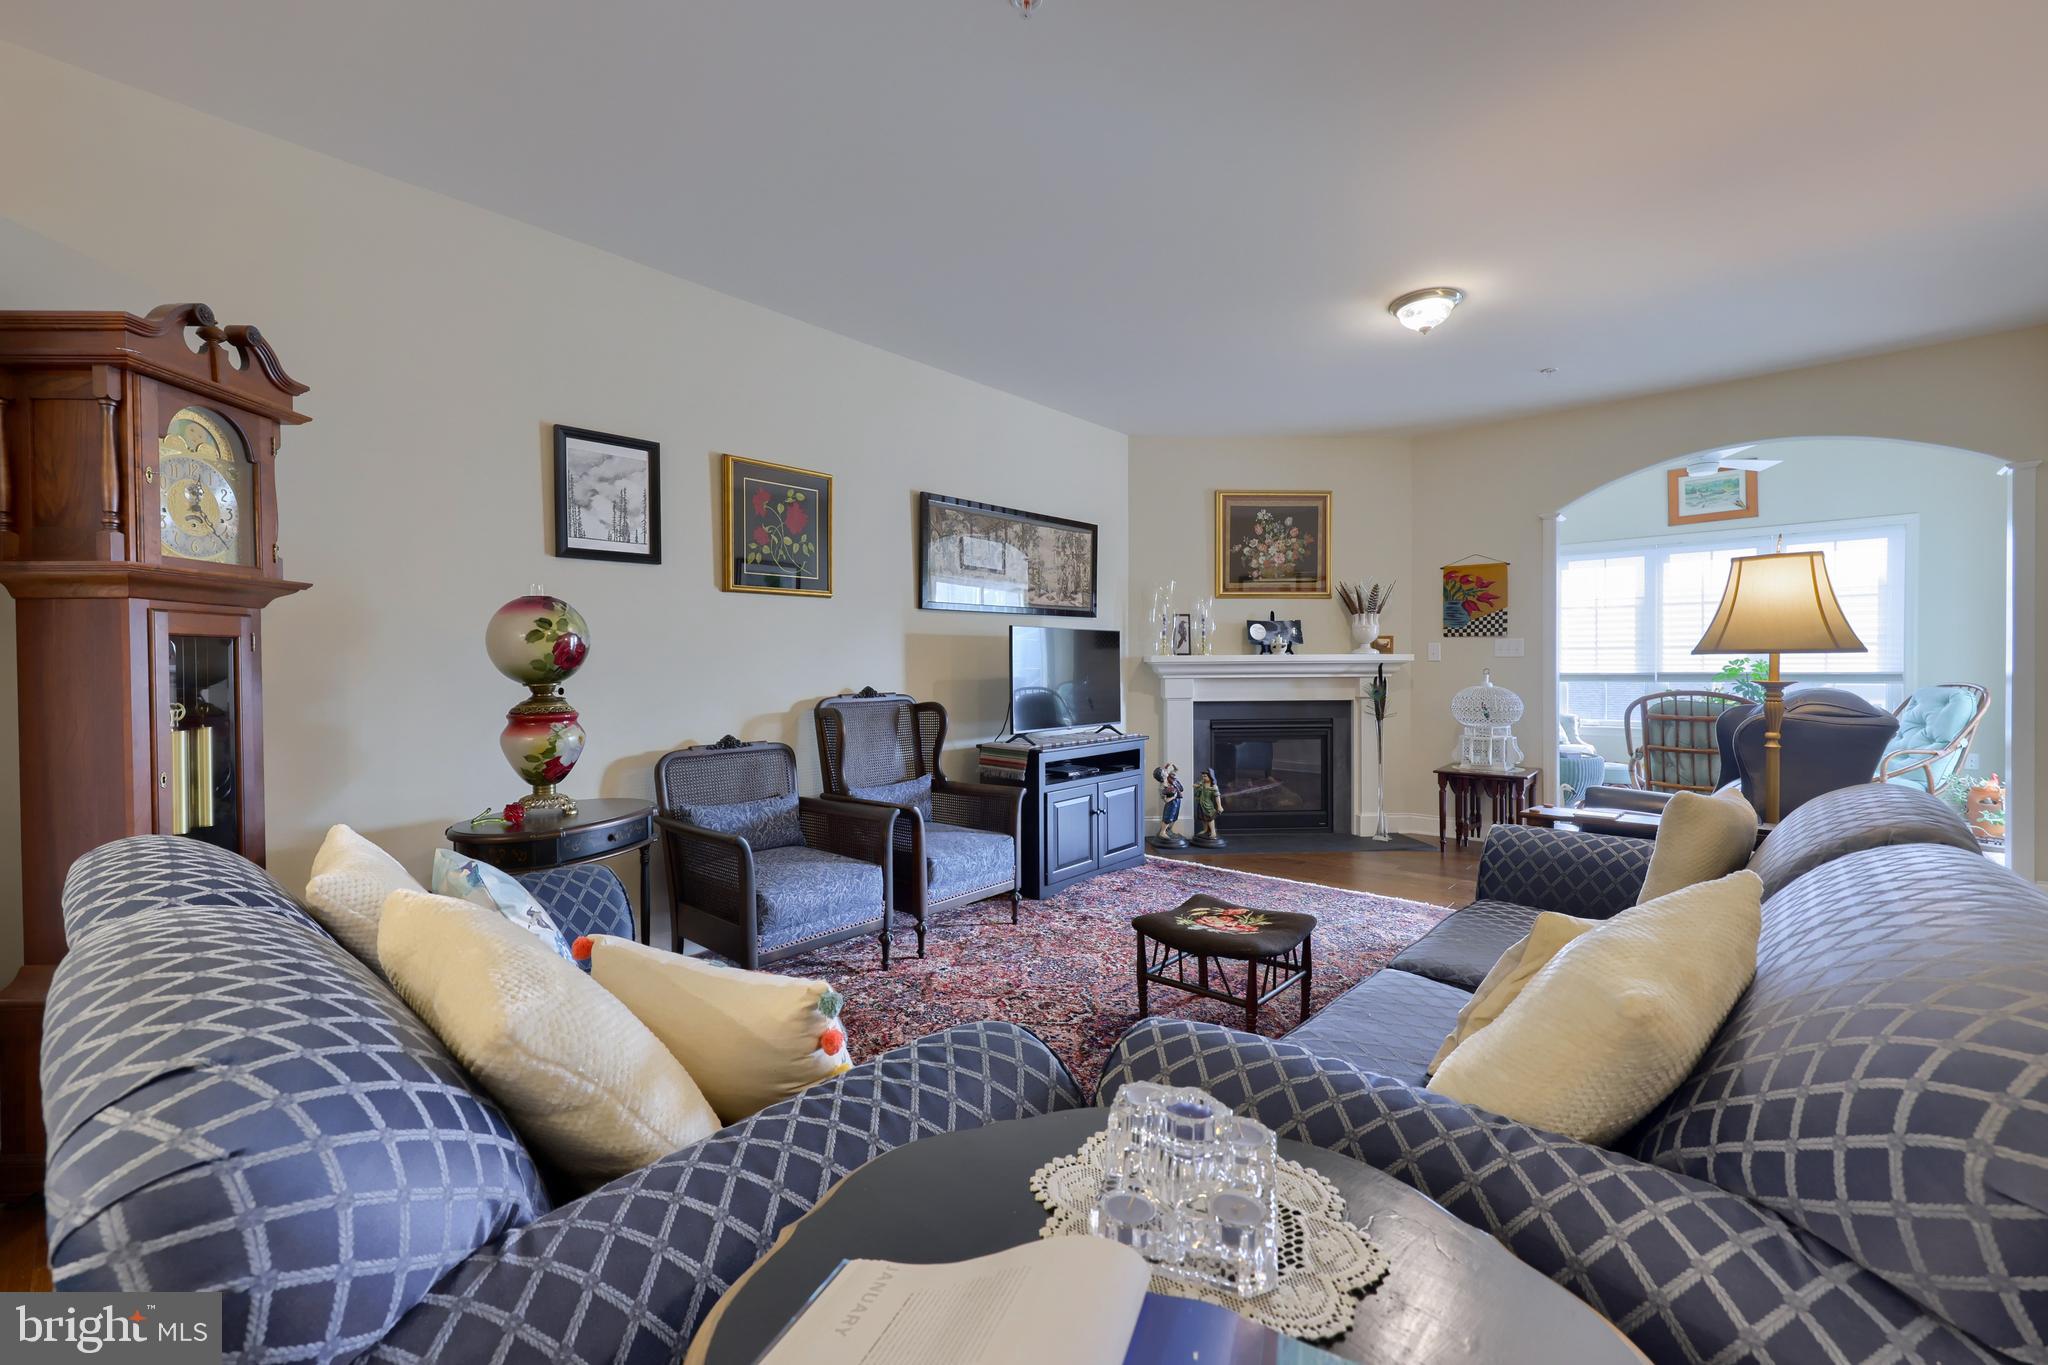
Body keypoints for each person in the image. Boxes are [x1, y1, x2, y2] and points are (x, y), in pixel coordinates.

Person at [1149, 763, 1187, 847]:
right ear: (1162, 775)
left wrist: (1173, 766)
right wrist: (1173, 797)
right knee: (1168, 817)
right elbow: (1165, 800)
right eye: (1164, 771)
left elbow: (1176, 770)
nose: (1166, 771)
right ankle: (1162, 832)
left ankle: (1169, 830)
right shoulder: (1162, 787)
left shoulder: (1170, 777)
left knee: (1174, 817)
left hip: (1177, 801)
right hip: (1171, 803)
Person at [1192, 768, 1226, 847]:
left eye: (1205, 776)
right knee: (1203, 818)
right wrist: (1195, 786)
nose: (1204, 778)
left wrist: (1219, 806)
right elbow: (1195, 786)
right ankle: (1205, 830)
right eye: (1203, 776)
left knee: (1210, 818)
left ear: (1210, 777)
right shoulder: (1202, 783)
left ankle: (1213, 831)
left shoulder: (1214, 786)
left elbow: (1217, 797)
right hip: (1201, 803)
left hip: (1208, 804)